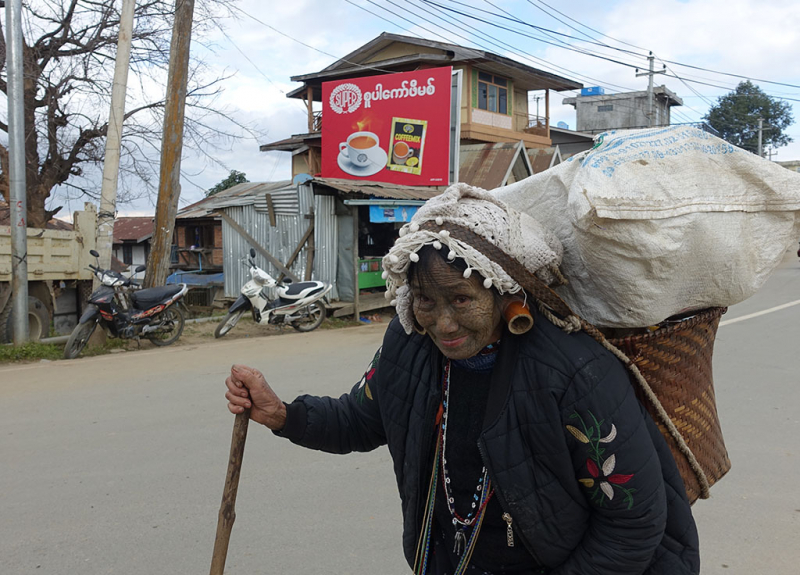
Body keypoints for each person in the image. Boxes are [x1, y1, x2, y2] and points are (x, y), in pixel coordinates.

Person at [225, 184, 700, 575]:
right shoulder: (410, 341)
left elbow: (633, 524)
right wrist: (283, 414)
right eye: (427, 301)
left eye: (461, 300)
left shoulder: (574, 370)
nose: (443, 324)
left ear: (503, 290)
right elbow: (363, 417)